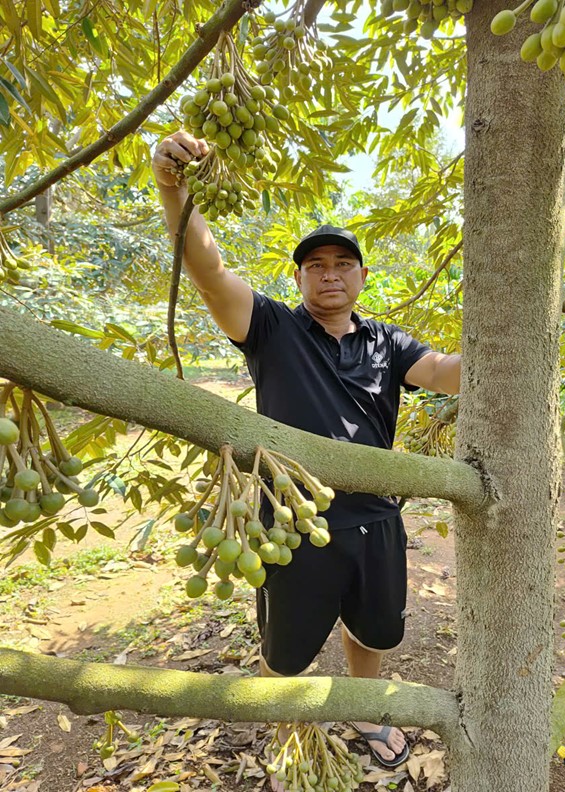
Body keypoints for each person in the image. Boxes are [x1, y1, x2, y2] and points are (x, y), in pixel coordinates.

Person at [152, 130, 462, 775]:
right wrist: (172, 187)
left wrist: (516, 337)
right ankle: (288, 721)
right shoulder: (271, 328)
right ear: (298, 277)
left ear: (361, 276)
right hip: (291, 525)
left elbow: (443, 372)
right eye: (315, 265)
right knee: (286, 647)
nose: (329, 274)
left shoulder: (386, 341)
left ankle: (367, 709)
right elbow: (207, 271)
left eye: (341, 264)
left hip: (375, 518)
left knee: (374, 630)